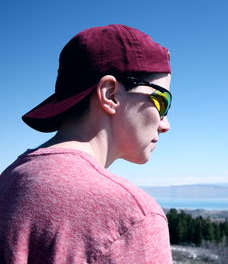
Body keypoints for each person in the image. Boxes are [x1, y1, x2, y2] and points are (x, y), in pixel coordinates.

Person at [0, 24, 173, 263]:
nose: (166, 124)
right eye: (162, 101)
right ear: (110, 94)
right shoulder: (132, 217)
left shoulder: (10, 179)